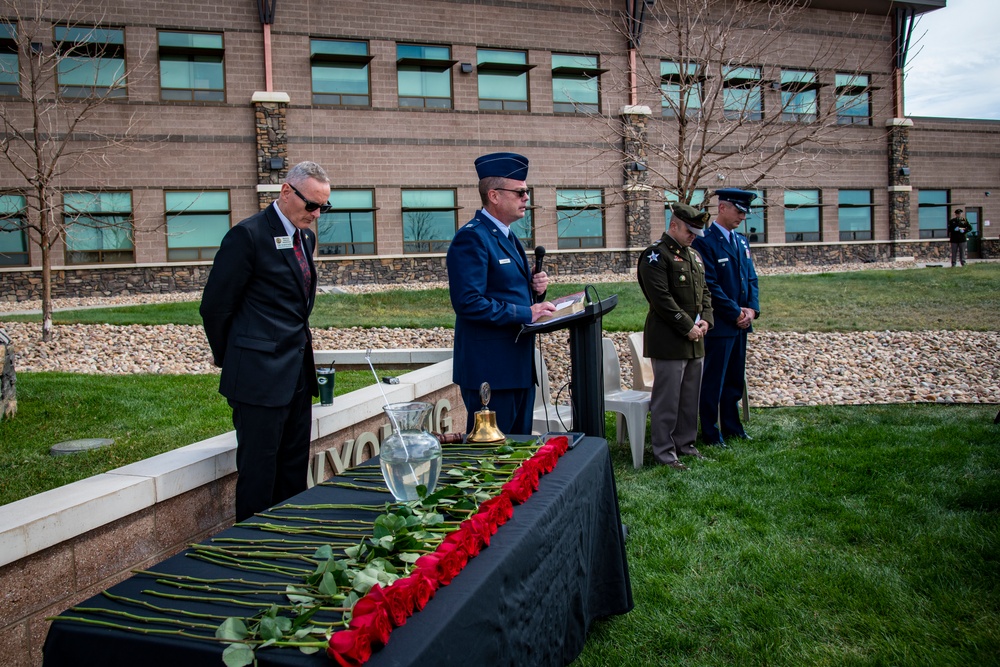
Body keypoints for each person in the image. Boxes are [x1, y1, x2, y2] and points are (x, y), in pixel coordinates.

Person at [200, 161, 329, 521]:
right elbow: (215, 307)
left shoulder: (306, 236)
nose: (317, 214)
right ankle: (252, 551)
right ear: (287, 191)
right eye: (311, 205)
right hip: (258, 378)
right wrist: (238, 358)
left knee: (292, 471)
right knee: (259, 477)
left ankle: (289, 542)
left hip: (297, 375)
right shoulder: (248, 235)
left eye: (324, 207)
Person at [446, 152, 555, 435]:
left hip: (516, 367)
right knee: (492, 460)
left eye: (526, 191)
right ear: (494, 195)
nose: (526, 197)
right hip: (490, 371)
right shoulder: (472, 237)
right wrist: (526, 312)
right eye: (520, 191)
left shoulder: (506, 234)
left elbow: (506, 292)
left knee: (517, 454)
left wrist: (535, 293)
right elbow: (468, 302)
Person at [637, 203, 714, 470]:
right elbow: (661, 299)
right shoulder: (655, 256)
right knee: (667, 400)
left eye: (696, 232)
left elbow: (704, 291)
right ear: (673, 225)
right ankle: (664, 451)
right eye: (689, 231)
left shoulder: (693, 256)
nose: (693, 236)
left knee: (689, 399)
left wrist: (706, 320)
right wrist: (686, 325)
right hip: (670, 340)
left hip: (695, 340)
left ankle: (686, 444)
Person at [692, 188, 760, 448]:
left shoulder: (741, 241)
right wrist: (736, 312)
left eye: (745, 212)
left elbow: (751, 278)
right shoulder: (705, 242)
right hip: (721, 324)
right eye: (739, 211)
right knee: (714, 382)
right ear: (722, 208)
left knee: (734, 380)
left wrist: (751, 310)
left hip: (741, 324)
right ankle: (710, 432)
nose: (743, 216)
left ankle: (733, 427)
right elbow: (710, 286)